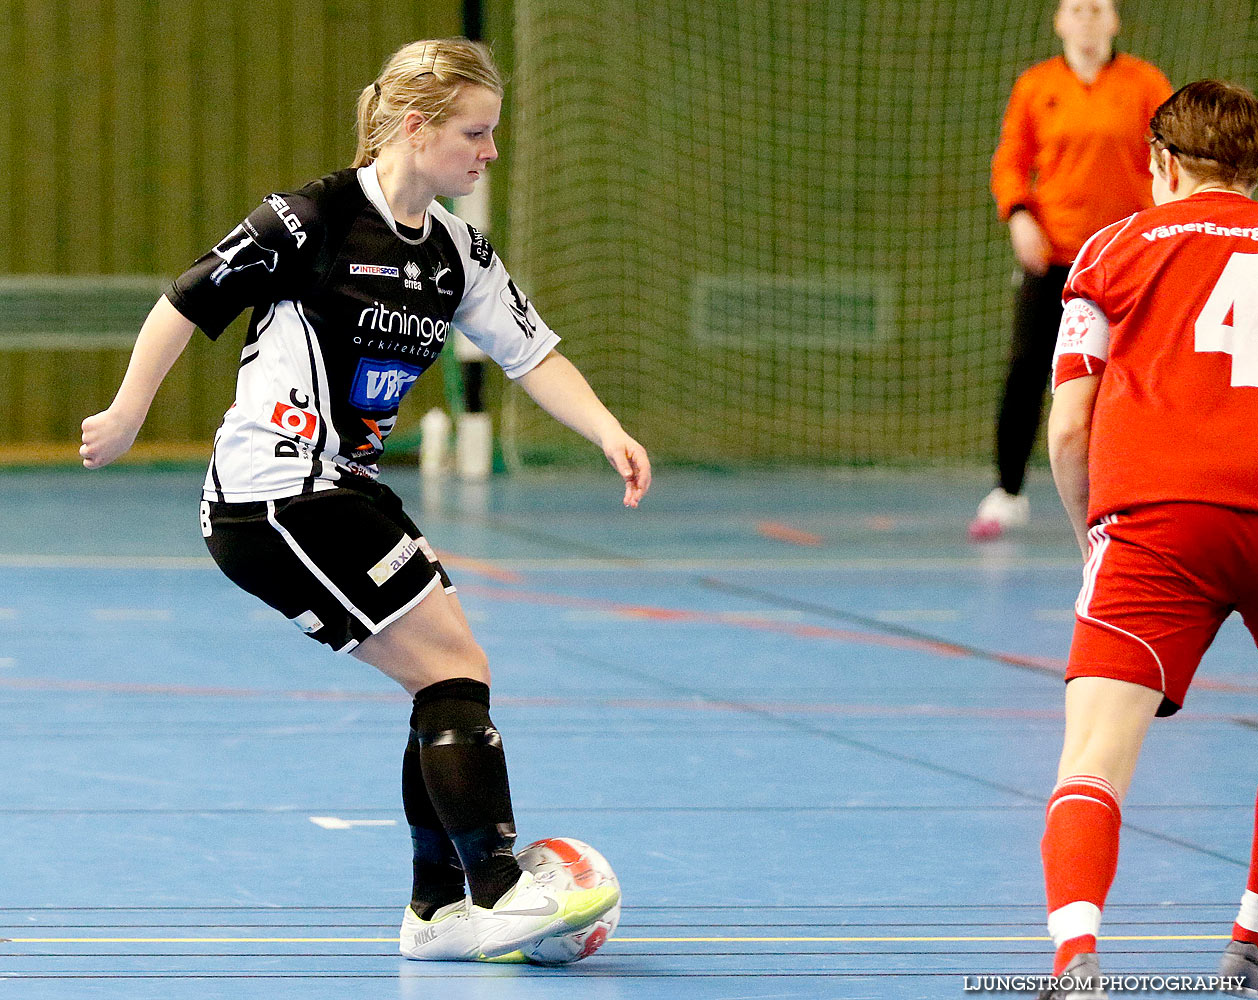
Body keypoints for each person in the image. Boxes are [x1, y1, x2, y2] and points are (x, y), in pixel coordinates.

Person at [79, 38, 651, 963]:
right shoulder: (308, 220)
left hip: (347, 491)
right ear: (417, 128)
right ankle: (496, 889)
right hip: (274, 494)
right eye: (477, 133)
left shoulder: (459, 252)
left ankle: (438, 912)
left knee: (453, 674)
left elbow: (531, 351)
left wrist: (606, 430)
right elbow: (185, 301)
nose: (490, 153)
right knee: (452, 673)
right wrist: (126, 414)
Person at [1037, 80, 1258, 999]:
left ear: (1162, 163)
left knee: (1094, 754)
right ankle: (1248, 936)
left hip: (1156, 520)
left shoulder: (1111, 248)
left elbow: (1069, 426)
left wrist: (1089, 527)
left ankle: (1076, 960)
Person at [970, 0, 1170, 540]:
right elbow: (1011, 159)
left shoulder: (1145, 83)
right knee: (1027, 368)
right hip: (1057, 256)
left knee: (1131, 377)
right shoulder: (1037, 87)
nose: (1087, 19)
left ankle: (1134, 494)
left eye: (1097, 9)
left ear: (1115, 20)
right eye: (1077, 10)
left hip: (1127, 257)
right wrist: (1018, 215)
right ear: (1060, 21)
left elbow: (1171, 158)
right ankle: (1007, 492)